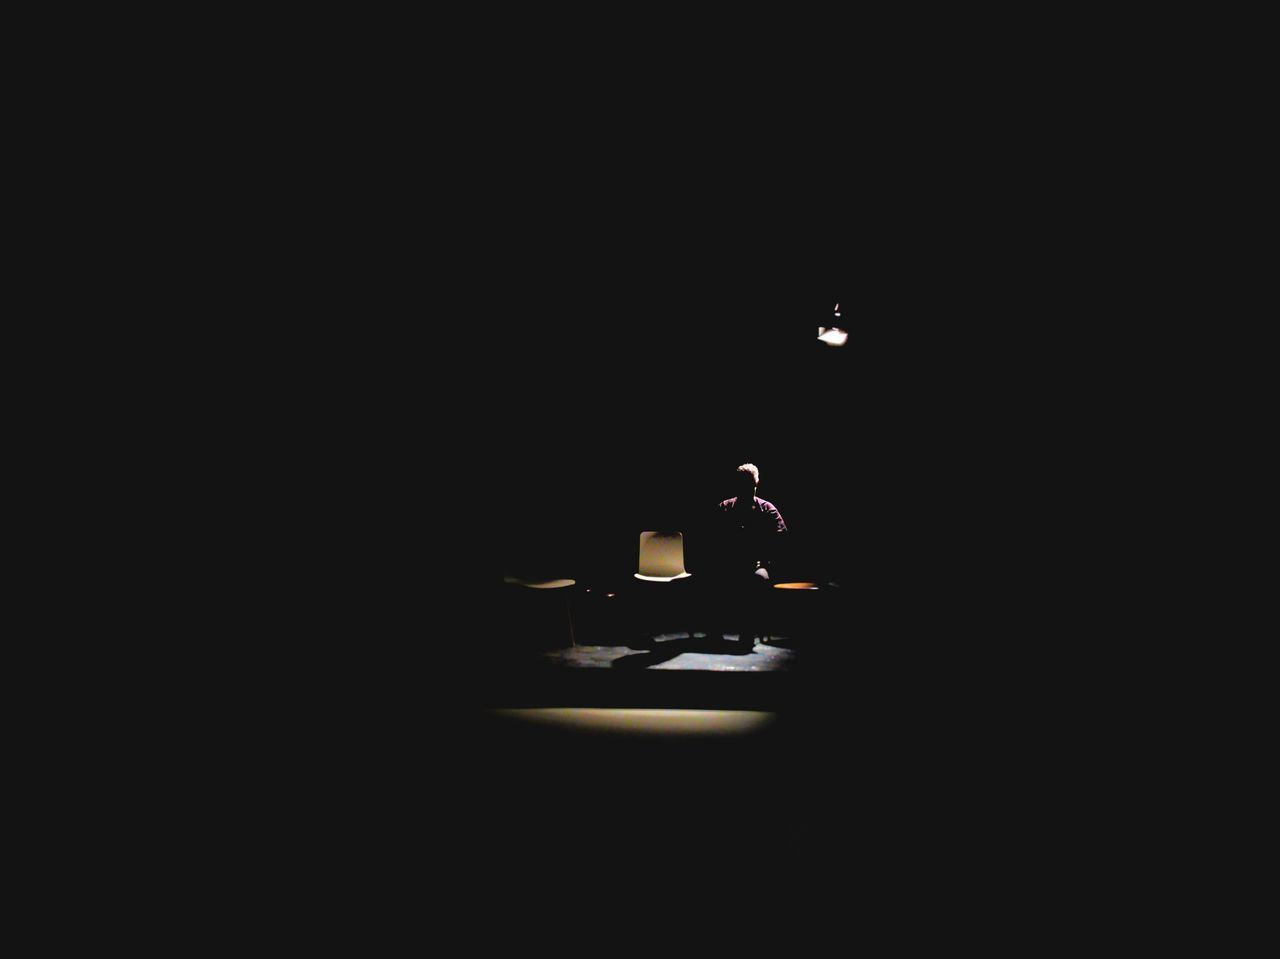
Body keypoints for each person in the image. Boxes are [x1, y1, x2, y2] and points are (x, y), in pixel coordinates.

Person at [704, 463, 788, 648]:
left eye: (749, 485)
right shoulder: (724, 507)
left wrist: (763, 556)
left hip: (757, 565)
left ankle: (747, 634)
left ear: (756, 483)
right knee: (713, 578)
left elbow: (781, 539)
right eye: (742, 484)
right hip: (728, 565)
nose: (746, 489)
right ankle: (714, 634)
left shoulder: (767, 509)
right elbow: (710, 539)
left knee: (757, 580)